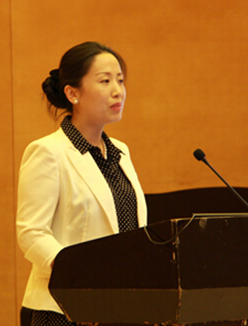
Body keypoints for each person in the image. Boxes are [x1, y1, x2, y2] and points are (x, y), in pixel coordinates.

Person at [16, 41, 148, 326]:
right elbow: (31, 233)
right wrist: (78, 274)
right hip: (64, 309)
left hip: (120, 309)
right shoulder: (48, 152)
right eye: (105, 81)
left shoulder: (121, 152)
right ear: (72, 93)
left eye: (120, 80)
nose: (118, 91)